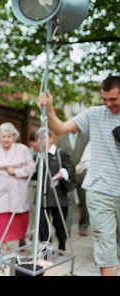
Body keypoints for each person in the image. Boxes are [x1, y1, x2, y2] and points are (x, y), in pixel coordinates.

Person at [40, 75, 120, 276]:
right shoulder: (94, 114)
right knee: (105, 246)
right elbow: (60, 128)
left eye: (113, 100)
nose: (108, 104)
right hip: (100, 190)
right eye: (104, 99)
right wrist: (49, 107)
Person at [0, 122, 34, 252]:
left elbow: (32, 168)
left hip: (17, 188)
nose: (6, 139)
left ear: (14, 136)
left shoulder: (23, 149)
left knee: (19, 216)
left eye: (9, 136)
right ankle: (3, 243)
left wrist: (17, 172)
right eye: (4, 136)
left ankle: (21, 238)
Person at [33, 129, 75, 252]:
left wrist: (63, 173)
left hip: (59, 197)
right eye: (39, 138)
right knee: (43, 228)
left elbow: (71, 168)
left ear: (51, 138)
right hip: (42, 197)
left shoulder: (60, 153)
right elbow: (35, 176)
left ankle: (62, 243)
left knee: (59, 225)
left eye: (44, 137)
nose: (42, 140)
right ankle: (46, 256)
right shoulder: (37, 156)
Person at [57, 131, 90, 236]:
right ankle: (67, 228)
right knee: (68, 202)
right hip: (68, 176)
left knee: (84, 202)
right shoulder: (61, 138)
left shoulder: (86, 137)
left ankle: (83, 226)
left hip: (83, 175)